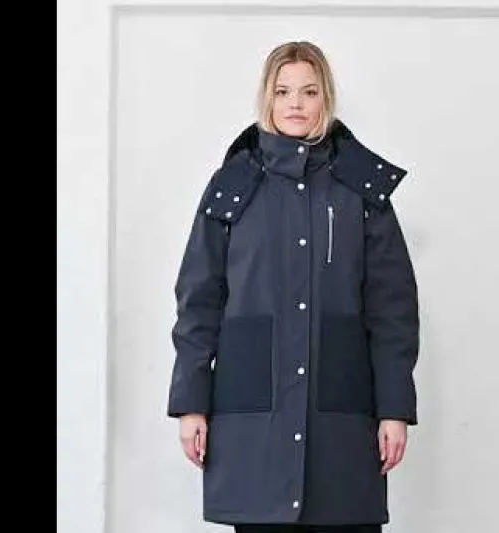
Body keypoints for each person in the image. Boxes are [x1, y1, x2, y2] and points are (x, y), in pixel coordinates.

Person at [167, 41, 420, 533]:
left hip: (340, 418)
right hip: (252, 417)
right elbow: (198, 301)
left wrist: (393, 410)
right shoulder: (233, 186)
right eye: (283, 91)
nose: (296, 104)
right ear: (267, 98)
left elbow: (392, 309)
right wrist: (191, 403)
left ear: (326, 97)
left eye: (309, 91)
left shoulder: (360, 190)